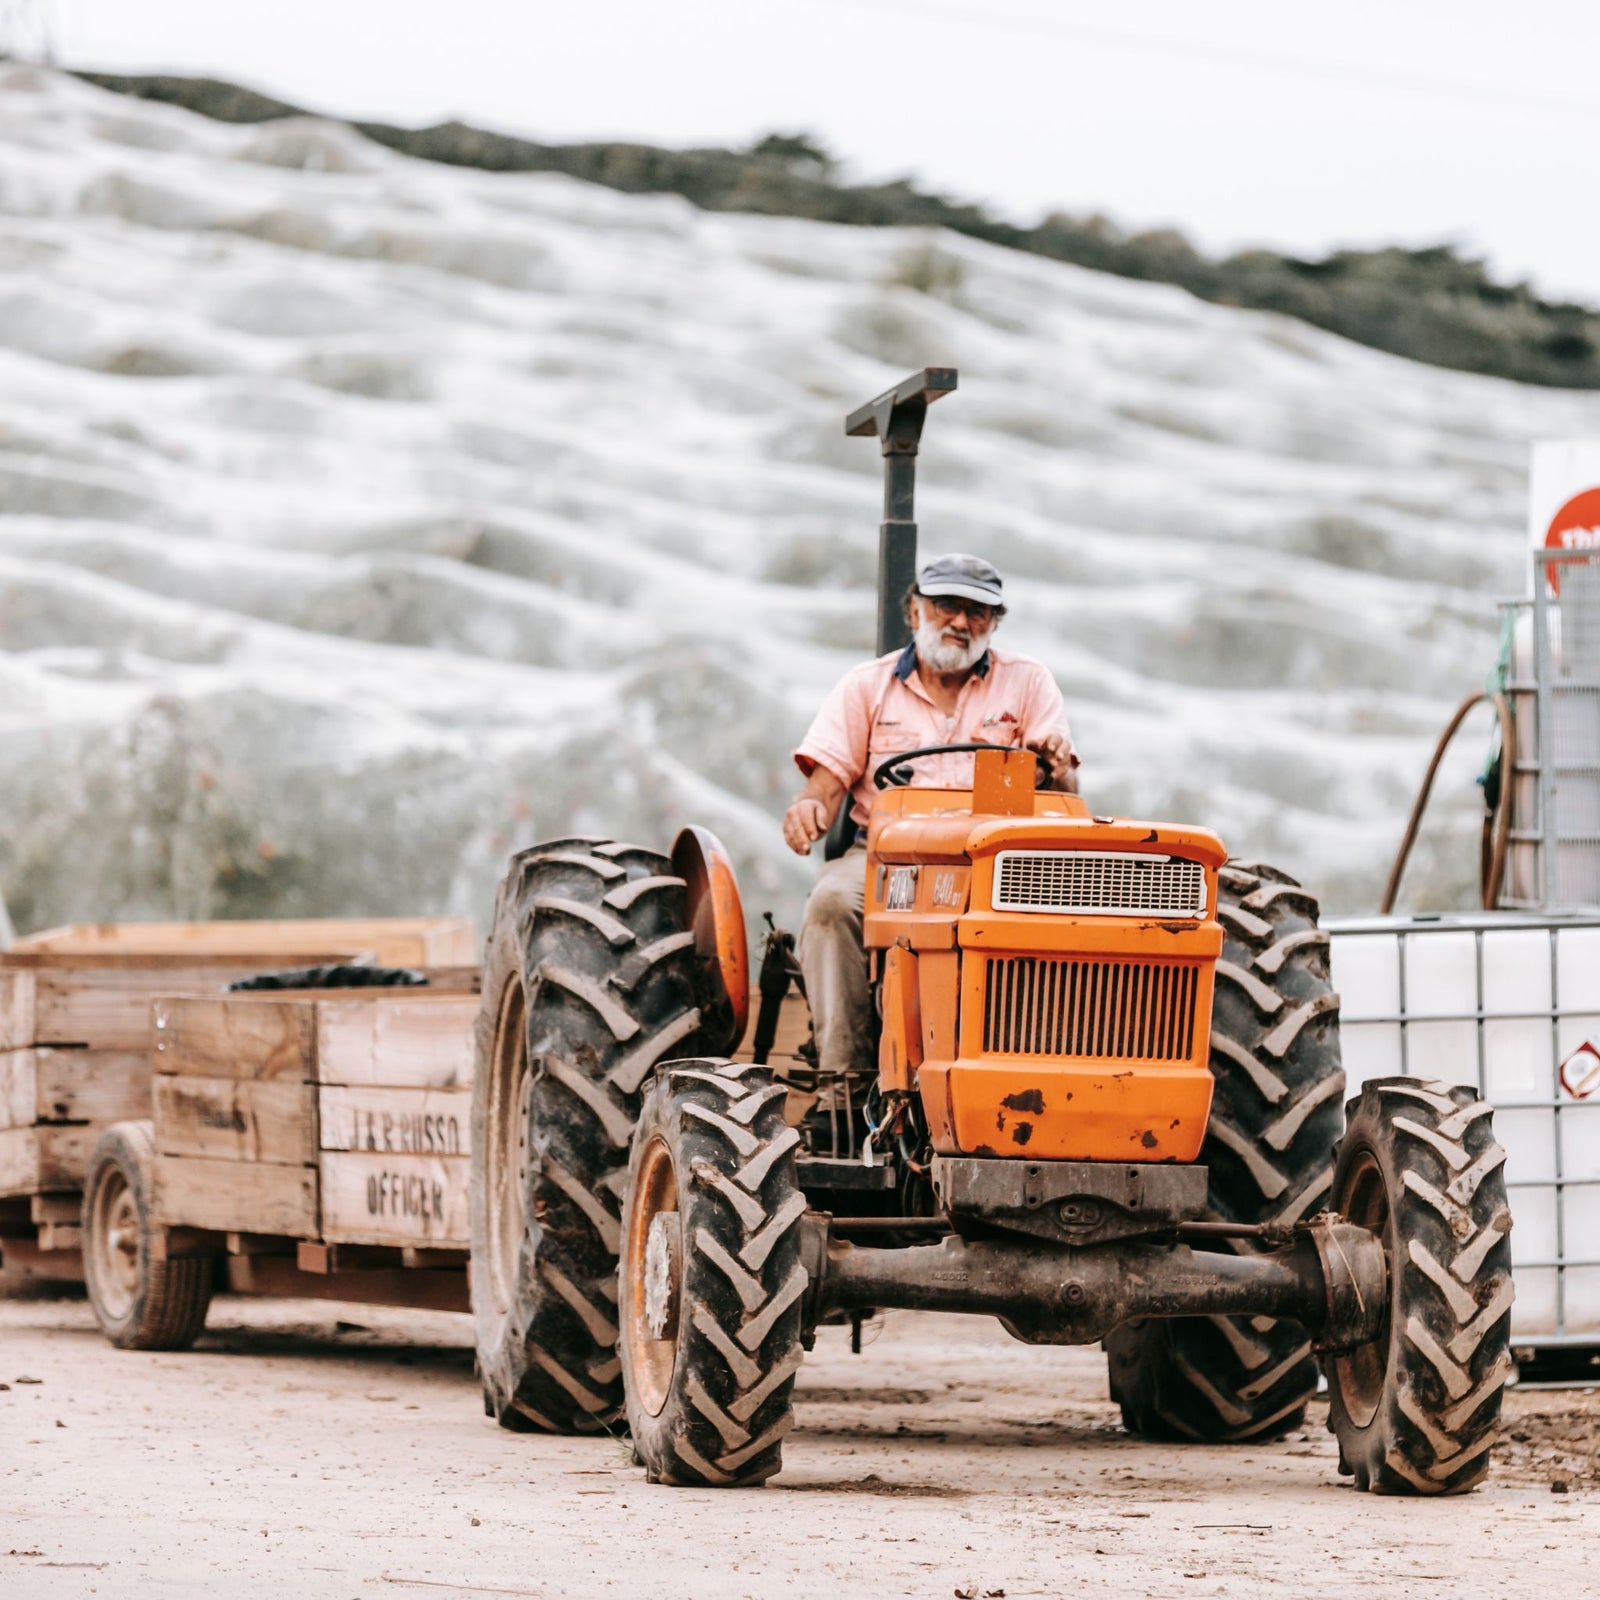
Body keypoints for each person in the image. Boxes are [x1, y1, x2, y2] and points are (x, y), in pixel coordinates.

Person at [784, 552, 1080, 1078]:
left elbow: (1066, 790)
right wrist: (808, 809)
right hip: (890, 858)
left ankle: (1036, 1070)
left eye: (978, 612)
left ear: (993, 623)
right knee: (831, 905)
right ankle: (842, 1081)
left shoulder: (1028, 683)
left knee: (1071, 919)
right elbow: (826, 784)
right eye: (947, 606)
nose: (962, 622)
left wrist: (1055, 766)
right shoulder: (866, 686)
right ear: (915, 612)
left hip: (994, 863)